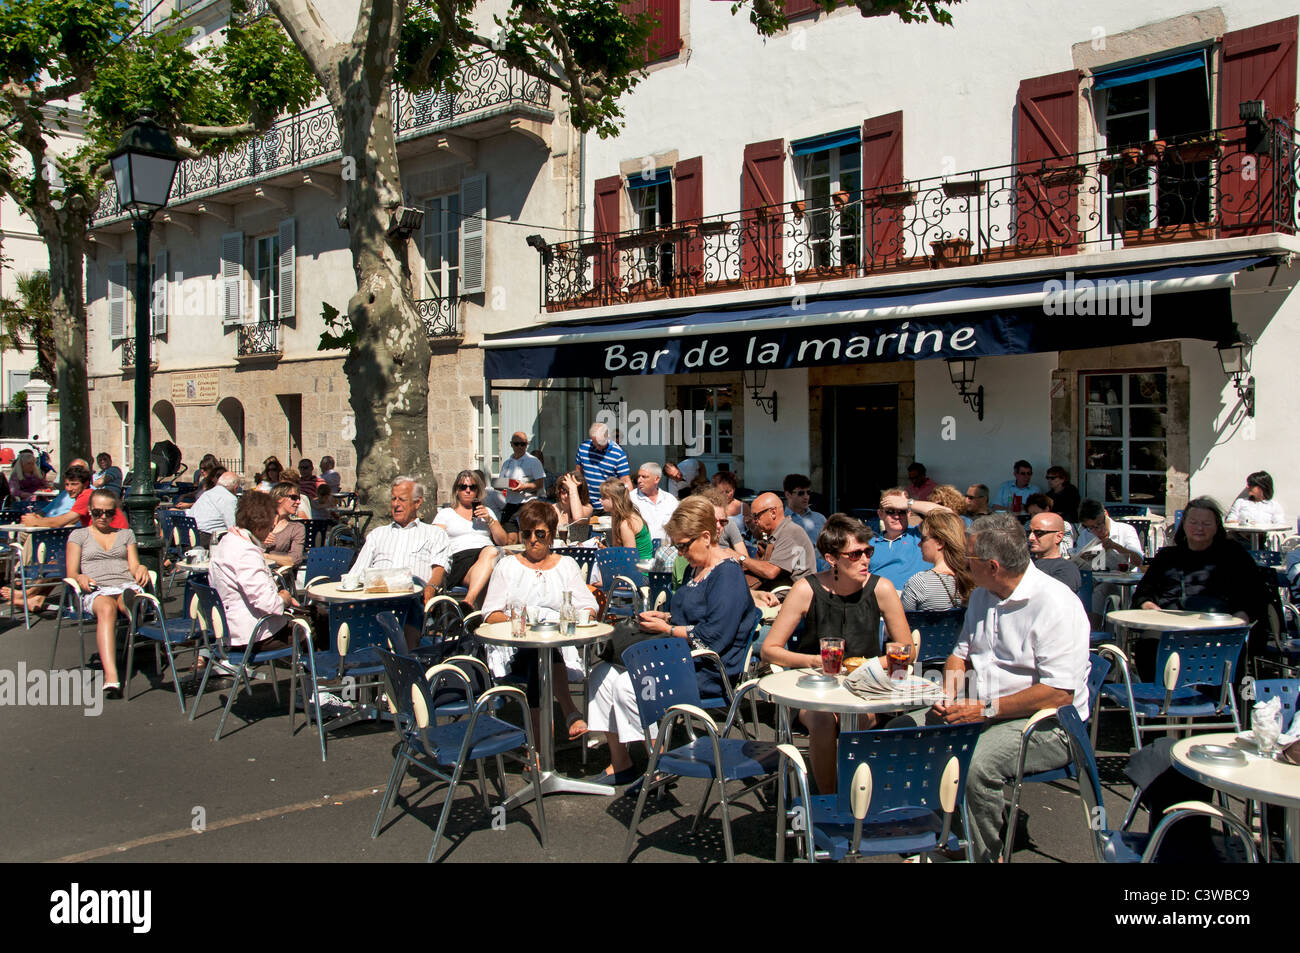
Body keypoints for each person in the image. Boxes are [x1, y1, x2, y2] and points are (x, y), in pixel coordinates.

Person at [902, 512, 1089, 863]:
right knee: (906, 730)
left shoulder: (1056, 604)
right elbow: (960, 657)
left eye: (968, 556)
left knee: (978, 762)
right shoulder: (983, 596)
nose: (962, 561)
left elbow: (1059, 693)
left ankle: (983, 854)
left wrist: (981, 708)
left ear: (992, 565)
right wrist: (949, 695)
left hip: (1049, 724)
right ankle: (941, 832)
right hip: (984, 707)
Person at [587, 497, 759, 784]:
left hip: (708, 669)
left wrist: (665, 630)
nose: (680, 553)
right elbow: (689, 617)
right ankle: (621, 763)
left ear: (706, 537)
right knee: (602, 675)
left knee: (627, 686)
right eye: (677, 546)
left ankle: (659, 764)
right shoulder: (697, 567)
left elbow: (712, 638)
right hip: (682, 656)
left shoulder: (726, 574)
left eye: (683, 545)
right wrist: (665, 618)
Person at [762, 514, 914, 793]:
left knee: (854, 719)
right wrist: (813, 661)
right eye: (855, 554)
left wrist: (867, 666)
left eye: (868, 551)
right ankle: (830, 800)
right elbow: (769, 650)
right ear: (832, 558)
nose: (865, 560)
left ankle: (856, 796)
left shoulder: (882, 588)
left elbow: (907, 649)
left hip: (864, 689)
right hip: (814, 690)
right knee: (822, 720)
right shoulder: (806, 589)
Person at [480, 500, 598, 742]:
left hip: (558, 645)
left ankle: (538, 748)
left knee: (545, 647)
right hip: (516, 647)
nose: (533, 539)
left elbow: (589, 605)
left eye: (540, 533)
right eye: (527, 533)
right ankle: (568, 711)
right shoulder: (507, 566)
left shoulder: (566, 565)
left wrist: (574, 618)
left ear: (552, 535)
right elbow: (490, 613)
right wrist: (521, 621)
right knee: (538, 649)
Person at [64, 489, 151, 698]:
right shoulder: (79, 535)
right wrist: (80, 578)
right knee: (106, 607)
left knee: (124, 598)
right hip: (96, 587)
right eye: (97, 512)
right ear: (89, 511)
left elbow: (134, 565)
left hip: (124, 584)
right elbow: (71, 572)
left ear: (115, 513)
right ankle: (111, 675)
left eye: (109, 513)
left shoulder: (125, 534)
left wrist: (141, 569)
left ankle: (133, 608)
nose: (103, 517)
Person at [1132, 497, 1268, 627]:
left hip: (1220, 628)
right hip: (1168, 626)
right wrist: (1150, 607)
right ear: (1183, 525)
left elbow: (1255, 596)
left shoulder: (1234, 555)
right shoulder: (1167, 557)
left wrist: (1242, 616)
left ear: (1216, 526)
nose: (1199, 528)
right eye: (1193, 522)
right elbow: (1143, 594)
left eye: (1206, 524)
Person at [208, 491, 302, 663]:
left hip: (231, 628)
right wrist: (284, 598)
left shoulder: (227, 541)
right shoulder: (245, 552)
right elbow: (268, 604)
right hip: (253, 635)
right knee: (319, 624)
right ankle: (321, 683)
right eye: (269, 526)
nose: (272, 529)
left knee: (310, 616)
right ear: (259, 527)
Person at [352, 477, 451, 606]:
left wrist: (431, 588)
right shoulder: (377, 535)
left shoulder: (435, 534)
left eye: (402, 499)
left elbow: (440, 568)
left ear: (417, 502)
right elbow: (357, 573)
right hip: (375, 602)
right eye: (393, 499)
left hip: (413, 603)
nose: (396, 504)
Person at [432, 469, 508, 607]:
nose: (468, 491)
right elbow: (435, 542)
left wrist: (489, 520)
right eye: (463, 487)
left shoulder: (487, 512)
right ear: (456, 490)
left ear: (478, 491)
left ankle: (471, 607)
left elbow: (503, 541)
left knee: (490, 559)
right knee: (491, 557)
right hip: (460, 560)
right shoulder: (446, 514)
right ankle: (477, 608)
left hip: (485, 560)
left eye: (472, 487)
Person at [740, 491, 816, 590]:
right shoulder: (775, 533)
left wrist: (741, 558)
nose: (755, 521)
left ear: (773, 512)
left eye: (756, 516)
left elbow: (770, 571)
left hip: (792, 595)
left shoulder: (790, 532)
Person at [900, 509, 973, 611]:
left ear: (940, 543)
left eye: (923, 539)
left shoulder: (920, 582)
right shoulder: (973, 578)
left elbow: (902, 623)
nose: (919, 544)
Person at [866, 488, 928, 592]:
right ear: (880, 514)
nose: (897, 516)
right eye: (891, 511)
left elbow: (947, 515)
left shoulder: (920, 535)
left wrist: (908, 503)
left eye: (902, 511)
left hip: (915, 598)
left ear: (908, 513)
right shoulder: (868, 544)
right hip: (879, 599)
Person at [1074, 499, 1144, 571]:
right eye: (1091, 527)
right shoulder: (1085, 535)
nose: (1098, 530)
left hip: (1124, 580)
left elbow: (1138, 561)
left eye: (1099, 523)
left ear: (1106, 514)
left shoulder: (1126, 530)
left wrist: (1116, 547)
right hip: (1096, 580)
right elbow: (1079, 564)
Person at [575, 421, 630, 511]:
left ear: (607, 437)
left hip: (609, 505)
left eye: (600, 444)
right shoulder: (583, 448)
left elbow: (625, 480)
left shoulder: (618, 454)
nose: (597, 447)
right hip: (586, 503)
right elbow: (578, 473)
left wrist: (627, 505)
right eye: (594, 442)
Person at [498, 432, 546, 528]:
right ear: (511, 444)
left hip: (528, 503)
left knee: (525, 535)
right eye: (516, 444)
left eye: (523, 444)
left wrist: (523, 486)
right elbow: (500, 484)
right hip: (510, 503)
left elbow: (540, 484)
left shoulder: (534, 461)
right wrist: (507, 485)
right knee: (509, 538)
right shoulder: (507, 463)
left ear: (527, 444)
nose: (519, 447)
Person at [599, 478, 653, 560]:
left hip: (641, 570)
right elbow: (616, 548)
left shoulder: (627, 523)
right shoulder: (616, 516)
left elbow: (630, 559)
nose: (600, 500)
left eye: (604, 497)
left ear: (615, 499)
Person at [1028, 511, 1081, 593]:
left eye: (1038, 533)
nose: (1031, 537)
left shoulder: (1066, 569)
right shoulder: (1024, 563)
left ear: (1058, 537)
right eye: (1029, 532)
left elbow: (1056, 597)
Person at [189, 469, 241, 545]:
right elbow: (232, 526)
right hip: (209, 538)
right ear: (235, 488)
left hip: (193, 535)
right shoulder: (229, 498)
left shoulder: (207, 493)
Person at [631, 462, 678, 543]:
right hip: (642, 552)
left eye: (644, 477)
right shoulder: (630, 499)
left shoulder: (670, 500)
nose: (639, 480)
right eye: (639, 476)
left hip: (667, 550)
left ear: (656, 479)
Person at [263, 482, 306, 568]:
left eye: (299, 499)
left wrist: (265, 556)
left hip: (280, 575)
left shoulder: (297, 528)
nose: (298, 502)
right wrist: (259, 540)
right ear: (279, 498)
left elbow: (295, 559)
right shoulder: (260, 522)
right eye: (294, 498)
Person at [699, 486, 749, 560]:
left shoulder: (729, 524)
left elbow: (745, 559)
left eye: (722, 521)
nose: (719, 526)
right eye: (713, 521)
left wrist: (728, 553)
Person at [783, 473, 827, 554]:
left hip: (820, 564)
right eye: (801, 493)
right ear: (788, 494)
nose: (806, 497)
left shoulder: (820, 519)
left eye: (808, 492)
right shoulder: (781, 520)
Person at [552, 469, 594, 542]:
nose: (565, 496)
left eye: (570, 492)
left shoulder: (587, 508)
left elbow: (578, 518)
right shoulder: (551, 509)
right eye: (563, 491)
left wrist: (573, 488)